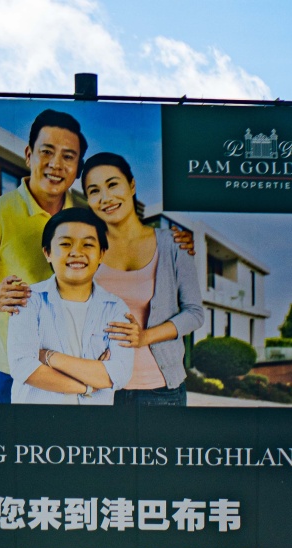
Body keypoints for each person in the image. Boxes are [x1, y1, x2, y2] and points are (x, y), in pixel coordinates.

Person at [0, 109, 85, 403]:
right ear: (28, 155)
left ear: (77, 168)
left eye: (68, 156)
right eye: (46, 152)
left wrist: (176, 243)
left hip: (79, 367)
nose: (56, 165)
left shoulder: (88, 215)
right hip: (17, 371)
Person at [81, 151, 205, 407]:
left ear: (132, 185)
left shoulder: (174, 244)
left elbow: (194, 313)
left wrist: (145, 337)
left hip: (160, 391)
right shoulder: (87, 249)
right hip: (101, 388)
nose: (106, 197)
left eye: (113, 184)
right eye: (94, 191)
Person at [6, 207, 131, 405]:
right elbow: (23, 367)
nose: (76, 253)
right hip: (37, 420)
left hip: (93, 421)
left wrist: (49, 357)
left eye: (88, 244)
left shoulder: (116, 308)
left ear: (101, 254)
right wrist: (87, 386)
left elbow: (119, 374)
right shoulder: (27, 299)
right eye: (65, 244)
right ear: (47, 252)